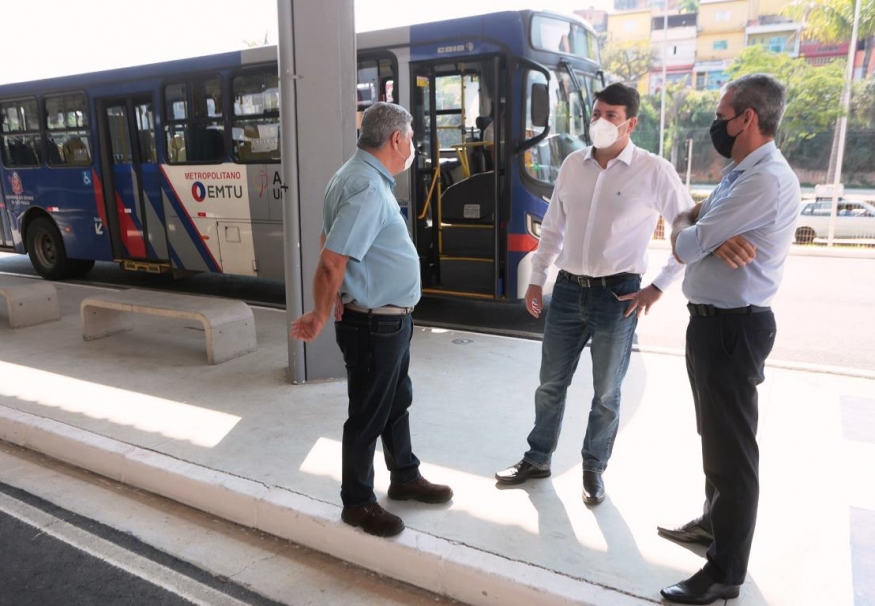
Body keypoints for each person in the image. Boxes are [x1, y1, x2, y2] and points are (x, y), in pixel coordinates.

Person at [494, 83, 693, 505]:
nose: (600, 122)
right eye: (597, 113)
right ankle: (538, 457)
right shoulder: (572, 165)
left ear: (631, 123)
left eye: (612, 116)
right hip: (567, 290)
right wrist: (536, 278)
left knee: (606, 392)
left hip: (618, 297)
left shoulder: (653, 170)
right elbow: (553, 227)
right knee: (550, 383)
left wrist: (658, 286)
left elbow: (688, 231)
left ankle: (593, 468)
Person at [658, 73, 801, 604]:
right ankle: (712, 525)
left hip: (734, 327)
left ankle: (725, 573)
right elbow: (692, 224)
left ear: (748, 118)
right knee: (714, 437)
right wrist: (698, 231)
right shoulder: (740, 172)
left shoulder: (764, 180)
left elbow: (684, 242)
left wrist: (696, 235)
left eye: (722, 115)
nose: (717, 124)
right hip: (713, 323)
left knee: (732, 451)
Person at [290, 102, 452, 538]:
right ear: (397, 139)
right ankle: (358, 502)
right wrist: (322, 310)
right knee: (368, 413)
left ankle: (404, 476)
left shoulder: (353, 175)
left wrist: (340, 293)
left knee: (395, 404)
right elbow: (331, 258)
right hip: (374, 325)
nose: (413, 146)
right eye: (412, 138)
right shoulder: (365, 186)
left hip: (388, 321)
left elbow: (330, 236)